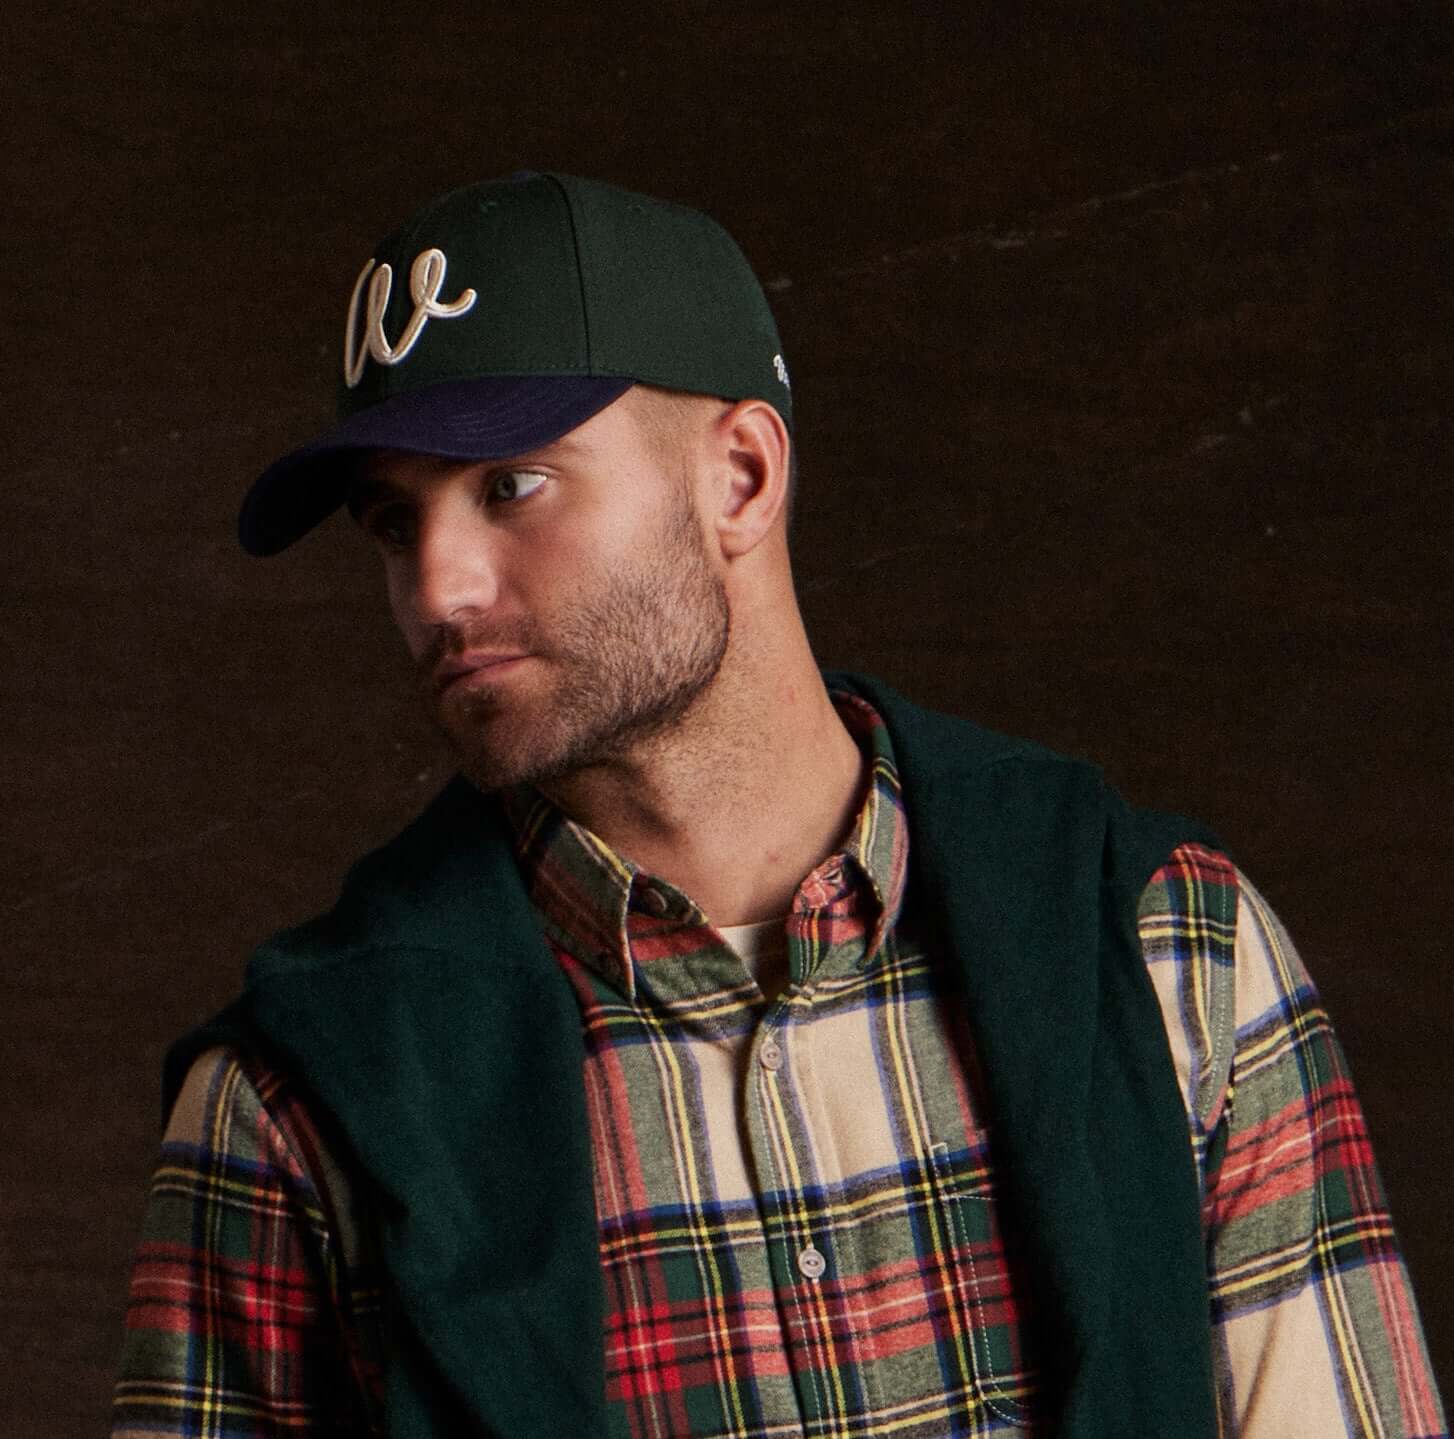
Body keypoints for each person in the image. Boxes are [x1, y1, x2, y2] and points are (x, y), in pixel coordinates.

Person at [113, 171, 1445, 1439]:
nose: (438, 588)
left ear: (739, 477)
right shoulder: (300, 1101)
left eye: (509, 485)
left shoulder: (1163, 953)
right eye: (393, 523)